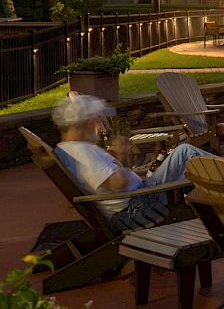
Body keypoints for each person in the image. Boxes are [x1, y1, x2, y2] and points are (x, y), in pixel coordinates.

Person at [51, 93, 214, 231]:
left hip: (138, 197)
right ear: (86, 124)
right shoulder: (82, 152)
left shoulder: (65, 149)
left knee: (185, 158)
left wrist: (119, 158)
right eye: (96, 121)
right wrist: (122, 155)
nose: (99, 127)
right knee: (185, 154)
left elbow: (111, 182)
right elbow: (117, 184)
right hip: (136, 208)